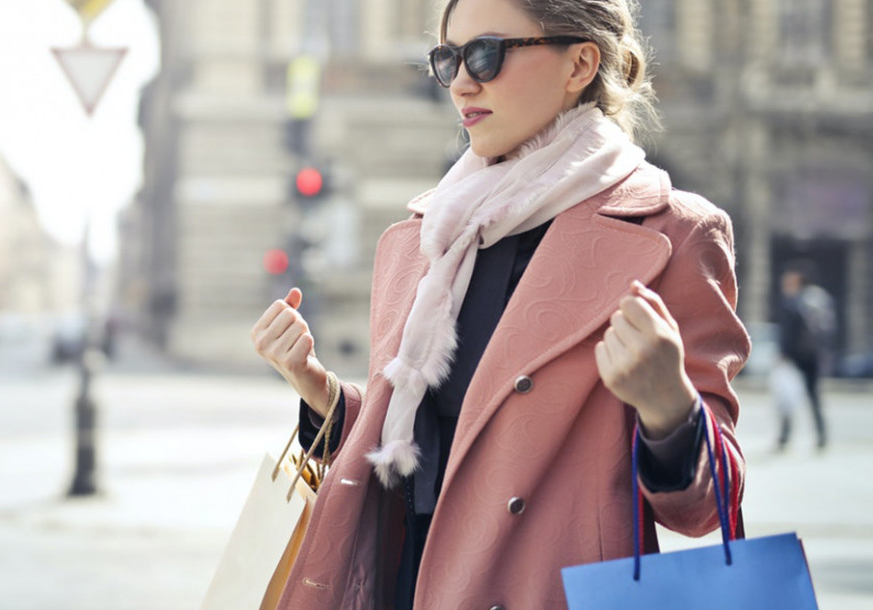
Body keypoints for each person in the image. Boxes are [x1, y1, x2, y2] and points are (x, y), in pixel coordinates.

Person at [249, 0, 750, 607]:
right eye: (448, 58)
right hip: (411, 587)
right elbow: (426, 462)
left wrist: (669, 405)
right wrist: (320, 394)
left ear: (579, 64)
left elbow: (706, 507)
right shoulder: (426, 238)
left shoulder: (672, 235)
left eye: (486, 53)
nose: (462, 81)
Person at [775, 259, 832, 450]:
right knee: (814, 397)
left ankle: (784, 437)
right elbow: (829, 329)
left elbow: (788, 332)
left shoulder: (793, 301)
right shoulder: (822, 299)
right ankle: (822, 436)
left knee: (786, 397)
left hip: (794, 357)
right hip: (815, 356)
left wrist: (783, 354)